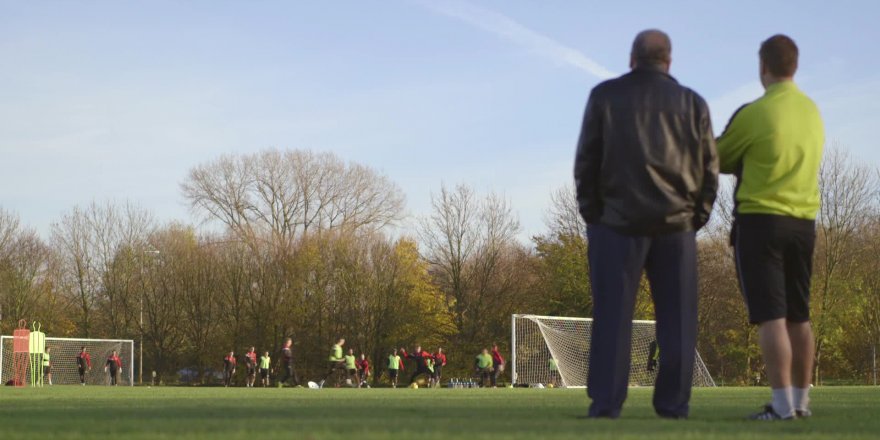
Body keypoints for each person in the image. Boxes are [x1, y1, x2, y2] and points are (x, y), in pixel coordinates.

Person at [574, 29, 718, 419]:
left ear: (632, 58)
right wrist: (695, 218)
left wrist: (594, 216)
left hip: (616, 223)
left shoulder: (605, 96)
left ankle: (606, 403)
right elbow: (709, 171)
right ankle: (673, 404)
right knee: (679, 320)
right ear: (669, 61)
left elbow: (587, 160)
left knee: (612, 316)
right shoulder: (693, 103)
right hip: (676, 225)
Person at [716, 34, 823, 421]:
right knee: (800, 315)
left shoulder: (755, 113)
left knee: (771, 316)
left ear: (763, 67)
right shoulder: (812, 111)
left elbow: (719, 156)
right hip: (804, 224)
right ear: (794, 65)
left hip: (761, 223)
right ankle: (800, 403)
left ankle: (780, 407)